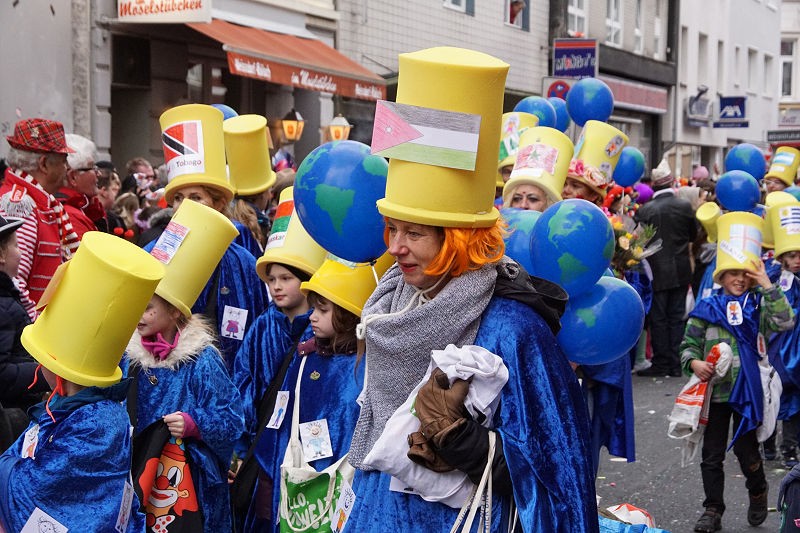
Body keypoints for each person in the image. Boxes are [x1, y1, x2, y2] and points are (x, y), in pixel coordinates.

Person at [346, 47, 596, 532]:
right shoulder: (390, 305)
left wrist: (468, 444)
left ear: (457, 239)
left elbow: (558, 472)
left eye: (414, 233)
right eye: (392, 229)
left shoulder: (512, 329)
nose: (395, 247)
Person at [0, 231, 162, 532]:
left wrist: (5, 467)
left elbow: (34, 489)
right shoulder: (72, 408)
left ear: (59, 370)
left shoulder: (94, 424)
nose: (37, 365)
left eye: (42, 358)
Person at [242, 256, 391, 532]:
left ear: (347, 313)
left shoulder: (371, 365)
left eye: (322, 310)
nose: (312, 316)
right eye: (313, 308)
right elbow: (279, 423)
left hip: (349, 487)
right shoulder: (305, 359)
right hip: (301, 489)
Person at [681, 213, 795, 532]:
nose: (740, 279)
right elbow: (688, 345)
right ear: (721, 276)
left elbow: (786, 321)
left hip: (747, 392)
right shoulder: (707, 308)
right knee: (711, 454)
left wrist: (767, 284)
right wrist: (694, 363)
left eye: (745, 274)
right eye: (733, 273)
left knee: (747, 453)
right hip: (715, 393)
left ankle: (758, 490)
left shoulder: (758, 306)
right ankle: (712, 509)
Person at [151, 104, 268, 369]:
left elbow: (256, 341)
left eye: (196, 197)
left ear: (218, 203)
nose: (185, 206)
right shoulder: (152, 255)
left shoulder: (243, 263)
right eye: (178, 198)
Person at [232, 188, 327, 461]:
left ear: (306, 280)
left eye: (286, 279)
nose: (276, 286)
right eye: (272, 279)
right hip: (262, 446)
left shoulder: (321, 327)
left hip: (303, 449)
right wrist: (244, 444)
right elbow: (243, 381)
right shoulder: (262, 326)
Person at [0, 118, 80, 319]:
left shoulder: (39, 201)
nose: (67, 168)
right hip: (27, 332)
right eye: (63, 160)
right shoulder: (19, 204)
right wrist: (34, 327)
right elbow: (12, 280)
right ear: (44, 164)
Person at [636, 159, 698, 377]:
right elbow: (693, 235)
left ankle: (662, 362)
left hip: (656, 271)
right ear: (671, 183)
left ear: (654, 185)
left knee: (659, 319)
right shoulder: (684, 206)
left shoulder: (646, 210)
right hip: (681, 269)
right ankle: (676, 362)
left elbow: (637, 242)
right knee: (677, 317)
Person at [0, 215, 49, 450]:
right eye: (16, 245)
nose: (21, 253)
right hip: (11, 414)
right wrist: (42, 373)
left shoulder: (7, 297)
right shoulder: (3, 305)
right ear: (1, 255)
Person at [225, 114, 276, 252]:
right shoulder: (244, 230)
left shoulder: (233, 223)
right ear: (263, 195)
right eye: (269, 190)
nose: (270, 195)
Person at [56, 133, 104, 239]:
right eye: (92, 167)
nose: (99, 173)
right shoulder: (71, 216)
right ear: (73, 177)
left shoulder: (81, 209)